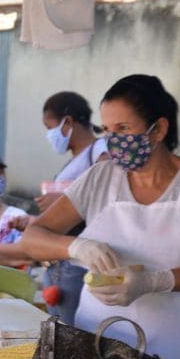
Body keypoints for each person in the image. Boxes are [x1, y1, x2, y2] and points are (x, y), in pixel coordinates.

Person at [21, 74, 180, 359]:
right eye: (107, 131)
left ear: (159, 129)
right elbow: (32, 238)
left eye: (123, 129)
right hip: (100, 347)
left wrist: (155, 281)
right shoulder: (100, 177)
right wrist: (76, 247)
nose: (114, 141)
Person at [37, 91, 110, 325]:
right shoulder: (77, 158)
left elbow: (108, 193)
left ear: (68, 122)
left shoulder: (100, 151)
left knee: (71, 333)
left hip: (79, 258)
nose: (49, 135)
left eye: (50, 128)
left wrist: (62, 201)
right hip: (62, 259)